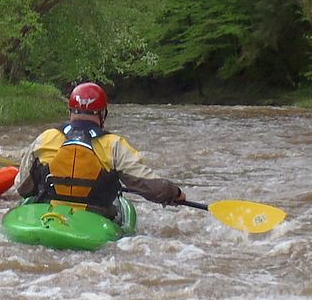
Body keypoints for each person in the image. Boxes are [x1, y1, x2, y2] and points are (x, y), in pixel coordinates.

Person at [14, 81, 184, 217]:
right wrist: (174, 193)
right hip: (97, 216)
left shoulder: (46, 137)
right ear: (103, 114)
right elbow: (149, 186)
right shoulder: (114, 144)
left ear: (70, 111)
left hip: (49, 212)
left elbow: (23, 187)